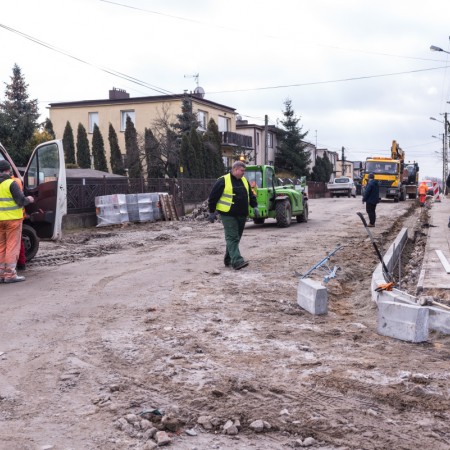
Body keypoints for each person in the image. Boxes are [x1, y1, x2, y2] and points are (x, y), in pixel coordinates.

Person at [208, 161, 258, 270]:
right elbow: (213, 196)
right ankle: (237, 261)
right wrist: (212, 212)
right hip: (228, 214)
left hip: (242, 214)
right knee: (232, 237)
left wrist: (255, 206)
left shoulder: (244, 181)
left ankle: (228, 259)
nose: (243, 173)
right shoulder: (223, 180)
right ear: (235, 169)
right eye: (242, 171)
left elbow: (250, 194)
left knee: (237, 237)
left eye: (244, 171)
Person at [0, 160, 34, 283]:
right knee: (12, 247)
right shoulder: (11, 183)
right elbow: (21, 201)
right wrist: (29, 199)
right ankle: (10, 275)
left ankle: (1, 274)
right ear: (8, 170)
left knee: (1, 246)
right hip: (12, 220)